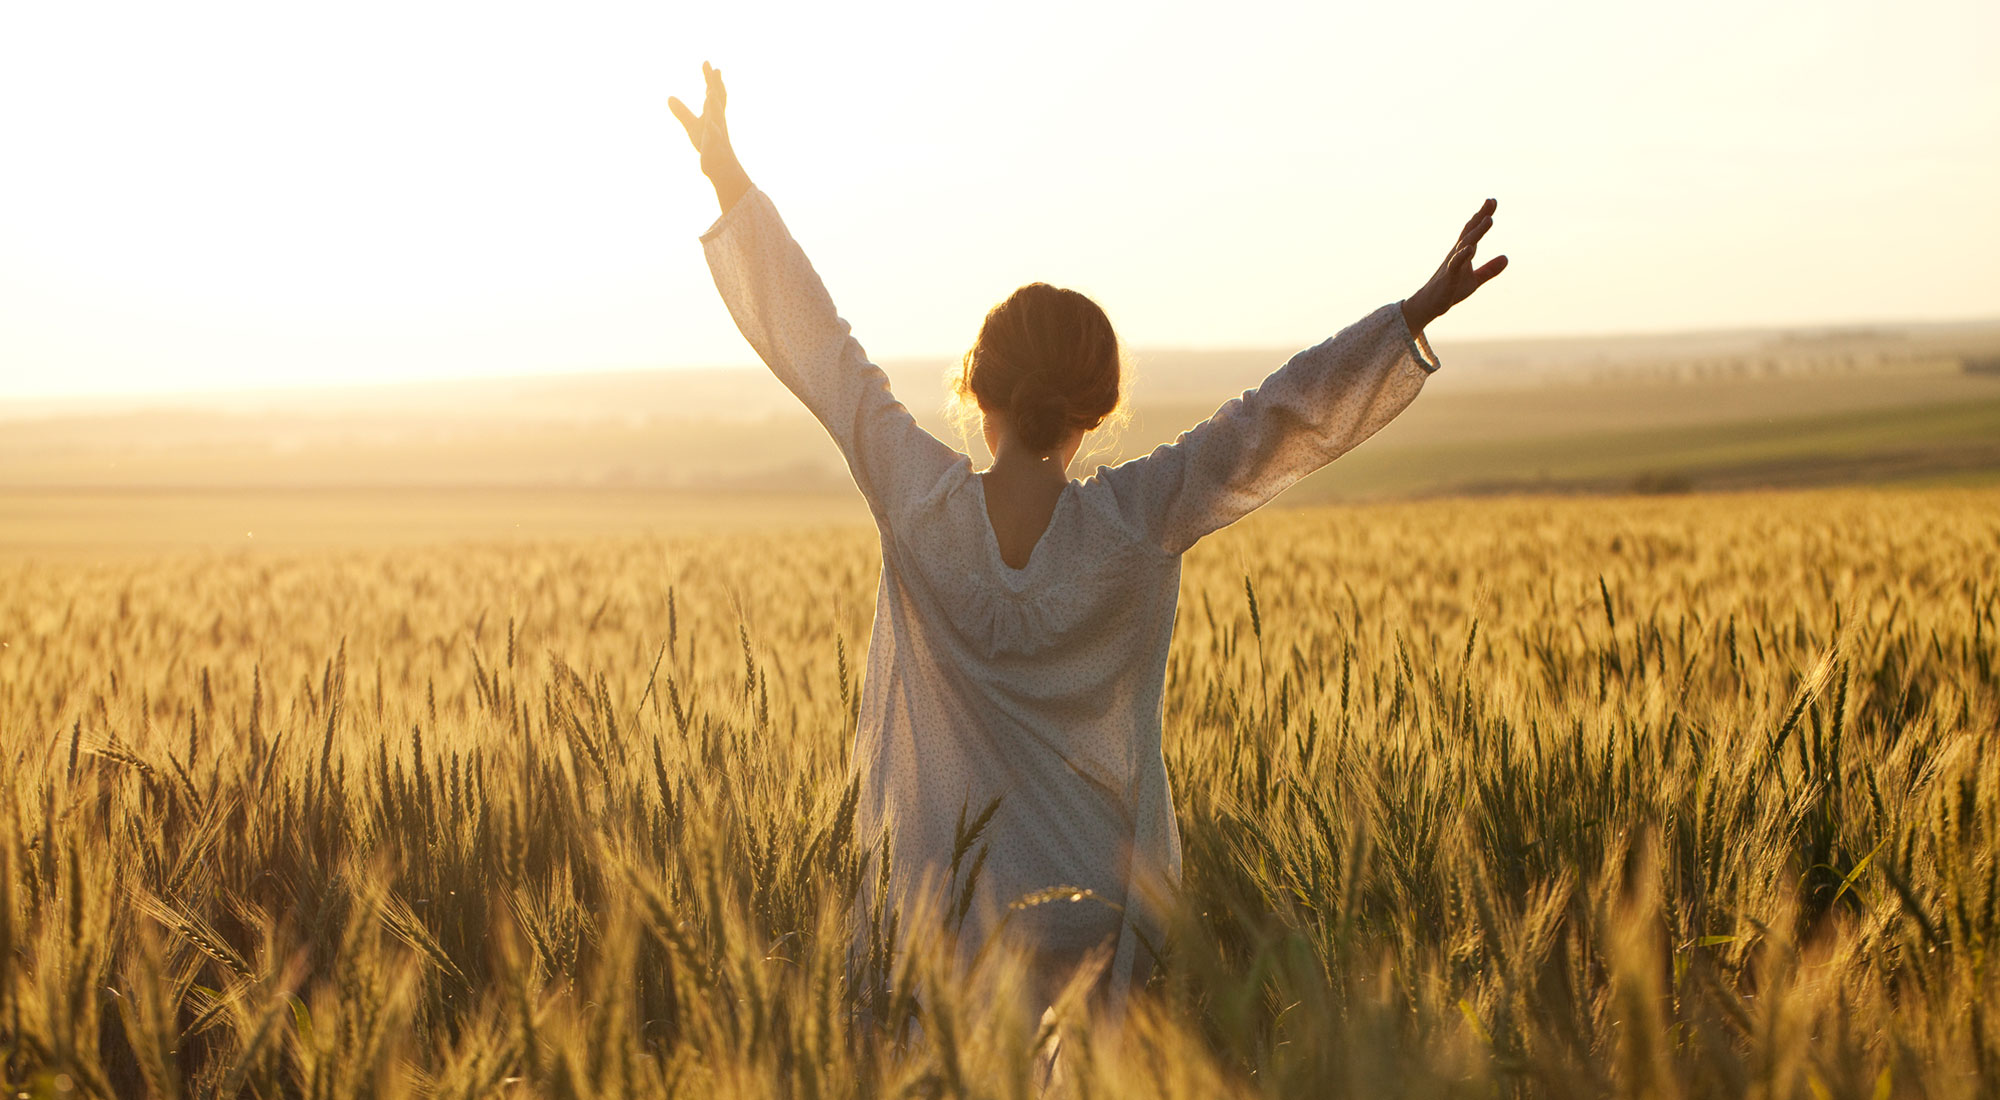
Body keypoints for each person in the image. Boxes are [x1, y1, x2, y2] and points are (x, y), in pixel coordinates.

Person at [669, 62, 1505, 1020]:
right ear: (1095, 409)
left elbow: (822, 352)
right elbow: (1275, 420)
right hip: (1099, 924)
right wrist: (1410, 318)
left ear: (978, 396)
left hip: (948, 922)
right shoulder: (1136, 524)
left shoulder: (917, 505)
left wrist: (729, 177)